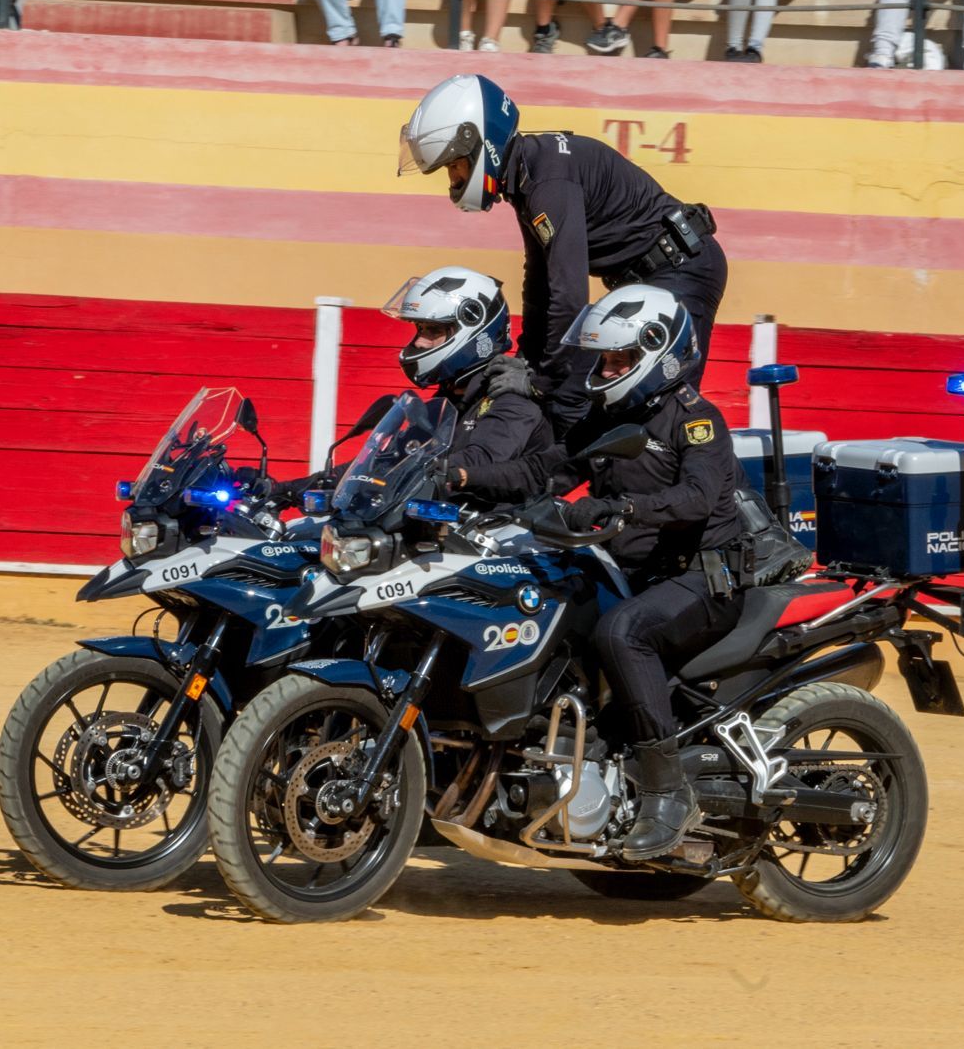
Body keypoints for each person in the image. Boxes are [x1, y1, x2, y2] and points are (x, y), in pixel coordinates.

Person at [443, 284, 785, 862]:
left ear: (660, 352)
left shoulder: (698, 422)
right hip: (635, 572)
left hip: (701, 579)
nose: (608, 370)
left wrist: (623, 509)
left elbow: (698, 498)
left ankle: (666, 791)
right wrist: (462, 479)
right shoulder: (609, 416)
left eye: (620, 360)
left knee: (621, 632)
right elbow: (544, 468)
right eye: (604, 359)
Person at [397, 76, 729, 430]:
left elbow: (569, 296)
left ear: (480, 145)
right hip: (656, 272)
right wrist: (527, 358)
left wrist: (541, 382)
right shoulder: (529, 174)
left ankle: (709, 482)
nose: (454, 179)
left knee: (659, 404)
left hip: (682, 267)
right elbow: (539, 279)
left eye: (454, 165)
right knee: (599, 396)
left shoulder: (547, 183)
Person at [281, 266, 555, 507]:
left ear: (474, 328)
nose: (420, 342)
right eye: (419, 329)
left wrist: (413, 471)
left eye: (433, 331)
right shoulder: (447, 402)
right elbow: (389, 458)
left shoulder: (509, 401)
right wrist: (286, 490)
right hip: (439, 532)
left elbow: (480, 461)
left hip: (497, 545)